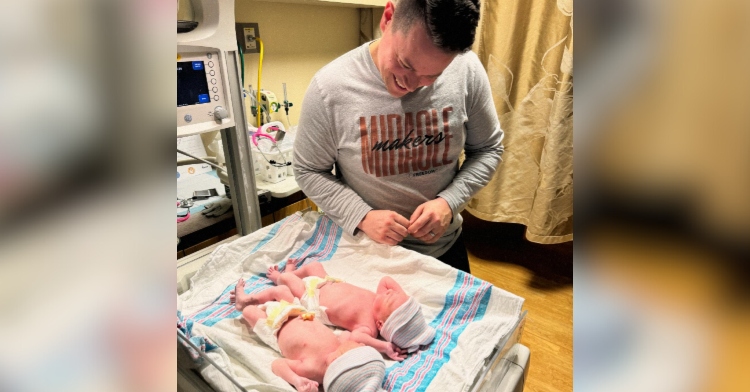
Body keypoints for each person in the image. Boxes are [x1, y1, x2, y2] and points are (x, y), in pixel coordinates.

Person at [293, 0, 502, 273]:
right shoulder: (330, 87)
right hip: (366, 252)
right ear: (388, 17)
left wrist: (449, 202)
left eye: (432, 76)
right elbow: (308, 169)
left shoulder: (466, 70)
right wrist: (362, 216)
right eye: (405, 64)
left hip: (444, 250)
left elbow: (488, 149)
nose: (411, 84)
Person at [230, 280, 389, 392]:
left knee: (248, 312)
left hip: (274, 327)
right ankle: (247, 298)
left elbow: (278, 365)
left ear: (337, 361)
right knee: (281, 290)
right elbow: (352, 335)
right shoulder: (341, 345)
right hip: (299, 312)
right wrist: (384, 346)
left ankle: (243, 304)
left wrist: (296, 380)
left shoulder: (313, 370)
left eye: (360, 349)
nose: (362, 345)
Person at [266, 262, 436, 355]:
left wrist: (385, 347)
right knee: (314, 266)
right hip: (327, 282)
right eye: (395, 294)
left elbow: (356, 336)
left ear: (380, 324)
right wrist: (401, 299)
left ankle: (280, 276)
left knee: (289, 280)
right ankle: (294, 273)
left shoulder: (368, 326)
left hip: (313, 300)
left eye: (390, 299)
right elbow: (386, 280)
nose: (390, 292)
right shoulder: (379, 300)